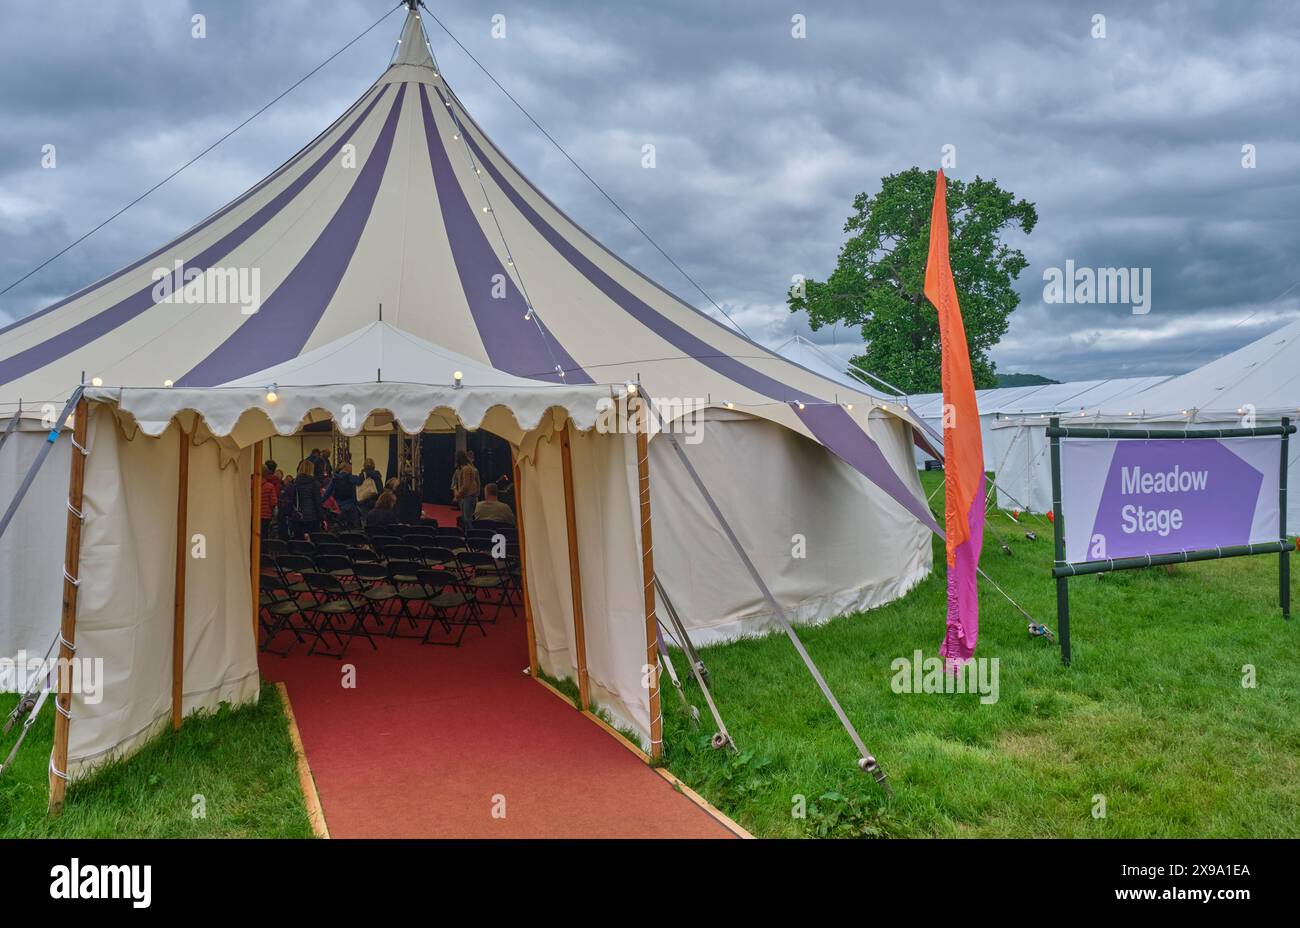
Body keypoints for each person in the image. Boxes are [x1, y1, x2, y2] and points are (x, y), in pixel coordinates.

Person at [292, 459, 325, 538]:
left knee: (300, 542)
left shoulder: (295, 483)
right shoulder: (314, 483)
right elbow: (317, 502)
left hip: (298, 516)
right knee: (313, 542)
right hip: (312, 516)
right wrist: (322, 518)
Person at [325, 462, 363, 529]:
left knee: (340, 529)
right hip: (351, 508)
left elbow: (327, 494)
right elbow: (360, 482)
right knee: (355, 529)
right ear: (347, 468)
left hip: (338, 508)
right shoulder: (352, 478)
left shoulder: (334, 479)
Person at [452, 450, 480, 530]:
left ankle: (471, 536)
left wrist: (457, 496)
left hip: (468, 497)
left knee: (467, 520)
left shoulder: (466, 469)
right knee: (466, 519)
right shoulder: (469, 468)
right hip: (468, 496)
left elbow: (466, 486)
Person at [259, 460, 278, 539]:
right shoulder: (270, 486)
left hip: (253, 515)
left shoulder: (250, 484)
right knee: (264, 535)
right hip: (266, 515)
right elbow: (273, 502)